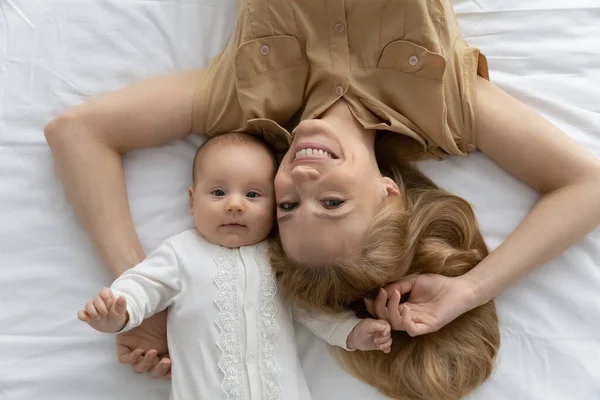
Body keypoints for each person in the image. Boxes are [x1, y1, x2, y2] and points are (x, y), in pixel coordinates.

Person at [45, 0, 600, 387]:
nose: (302, 181)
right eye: (333, 204)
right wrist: (469, 290)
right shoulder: (447, 108)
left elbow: (76, 132)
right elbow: (588, 185)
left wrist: (141, 301)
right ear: (390, 193)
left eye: (285, 207)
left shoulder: (239, 104)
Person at [77, 133, 393, 399]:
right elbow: (142, 285)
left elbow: (312, 310)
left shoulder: (278, 258)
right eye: (218, 192)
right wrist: (120, 312)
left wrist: (351, 332)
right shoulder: (181, 252)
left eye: (253, 194)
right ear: (191, 201)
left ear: (275, 206)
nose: (234, 204)